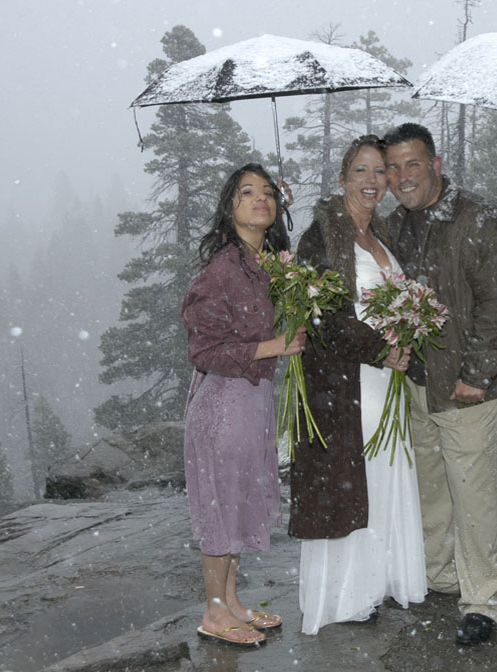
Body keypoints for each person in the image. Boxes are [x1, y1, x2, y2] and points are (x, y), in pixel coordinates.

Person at [383, 122, 497, 646]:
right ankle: (441, 575)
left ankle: (482, 600)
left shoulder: (481, 219)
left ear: (436, 164)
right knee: (432, 491)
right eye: (393, 167)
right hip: (416, 383)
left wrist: (476, 375)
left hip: (467, 387)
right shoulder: (394, 225)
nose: (403, 176)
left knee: (473, 496)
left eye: (413, 164)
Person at [290, 135, 427, 635]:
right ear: (343, 178)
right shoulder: (321, 237)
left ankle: (378, 581)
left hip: (385, 379)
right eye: (361, 171)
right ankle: (345, 596)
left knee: (383, 479)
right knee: (351, 484)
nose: (372, 181)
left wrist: (406, 336)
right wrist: (379, 349)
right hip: (346, 383)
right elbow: (322, 315)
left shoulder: (382, 235)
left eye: (380, 171)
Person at [181, 163, 305, 647]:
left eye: (268, 193)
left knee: (237, 505)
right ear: (228, 206)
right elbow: (204, 351)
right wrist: (273, 346)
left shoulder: (269, 263)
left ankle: (231, 601)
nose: (261, 199)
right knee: (220, 508)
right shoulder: (221, 272)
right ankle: (214, 612)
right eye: (247, 192)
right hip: (223, 404)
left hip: (253, 402)